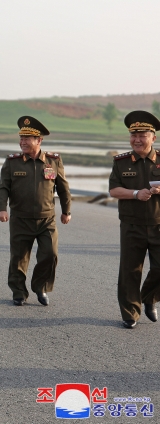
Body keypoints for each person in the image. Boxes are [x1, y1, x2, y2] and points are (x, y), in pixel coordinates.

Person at [0, 116, 71, 306]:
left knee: (50, 254)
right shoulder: (12, 162)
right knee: (19, 258)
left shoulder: (53, 161)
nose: (23, 142)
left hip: (47, 220)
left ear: (39, 140)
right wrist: (1, 208)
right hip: (20, 218)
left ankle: (41, 287)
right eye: (21, 139)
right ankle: (19, 291)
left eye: (28, 139)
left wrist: (66, 211)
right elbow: (3, 187)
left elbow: (63, 188)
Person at [108, 110, 160, 329]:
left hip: (159, 224)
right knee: (130, 270)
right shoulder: (121, 162)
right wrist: (136, 193)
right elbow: (114, 190)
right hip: (131, 224)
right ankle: (130, 313)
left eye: (142, 135)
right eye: (133, 135)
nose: (137, 139)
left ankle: (149, 298)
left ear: (153, 137)